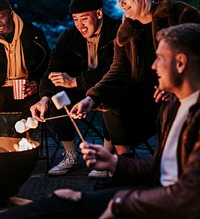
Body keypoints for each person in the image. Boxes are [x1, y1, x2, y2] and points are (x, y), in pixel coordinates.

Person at [1, 22, 200, 219]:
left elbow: (186, 199)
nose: (154, 66)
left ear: (181, 63)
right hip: (154, 194)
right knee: (65, 197)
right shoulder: (175, 106)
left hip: (164, 204)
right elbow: (160, 167)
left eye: (159, 58)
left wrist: (119, 203)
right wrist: (114, 163)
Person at [70, 0, 200, 161]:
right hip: (143, 95)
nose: (120, 4)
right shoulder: (125, 32)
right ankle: (125, 164)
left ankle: (172, 165)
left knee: (173, 108)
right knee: (111, 105)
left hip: (181, 91)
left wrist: (175, 86)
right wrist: (92, 98)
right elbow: (118, 72)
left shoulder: (181, 15)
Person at [30, 0, 121, 177]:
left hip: (108, 87)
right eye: (75, 19)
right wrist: (44, 97)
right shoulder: (69, 36)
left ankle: (106, 157)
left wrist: (76, 82)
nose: (80, 25)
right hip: (80, 88)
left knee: (112, 98)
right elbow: (53, 67)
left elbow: (117, 72)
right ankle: (71, 155)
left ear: (98, 13)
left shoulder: (118, 31)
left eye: (84, 18)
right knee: (57, 99)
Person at [0, 0, 50, 127]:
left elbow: (48, 66)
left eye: (1, 17)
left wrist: (38, 82)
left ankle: (22, 141)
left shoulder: (33, 33)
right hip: (2, 90)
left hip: (28, 90)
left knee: (31, 115)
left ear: (10, 11)